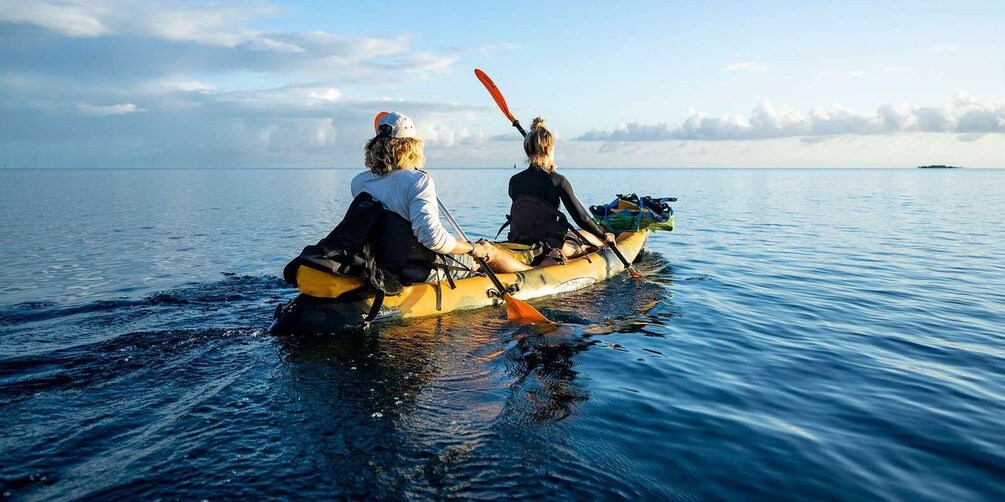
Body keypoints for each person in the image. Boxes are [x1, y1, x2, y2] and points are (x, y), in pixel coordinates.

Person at [352, 111, 530, 284]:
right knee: (488, 252)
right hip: (419, 269)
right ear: (411, 146)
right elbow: (432, 238)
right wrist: (472, 248)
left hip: (382, 263)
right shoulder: (418, 181)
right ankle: (535, 275)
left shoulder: (359, 182)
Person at [503, 117, 615, 265]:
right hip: (549, 247)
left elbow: (530, 213)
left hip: (519, 240)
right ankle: (604, 249)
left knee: (579, 233)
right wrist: (604, 236)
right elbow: (582, 219)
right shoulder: (557, 180)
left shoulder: (514, 181)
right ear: (547, 149)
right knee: (591, 238)